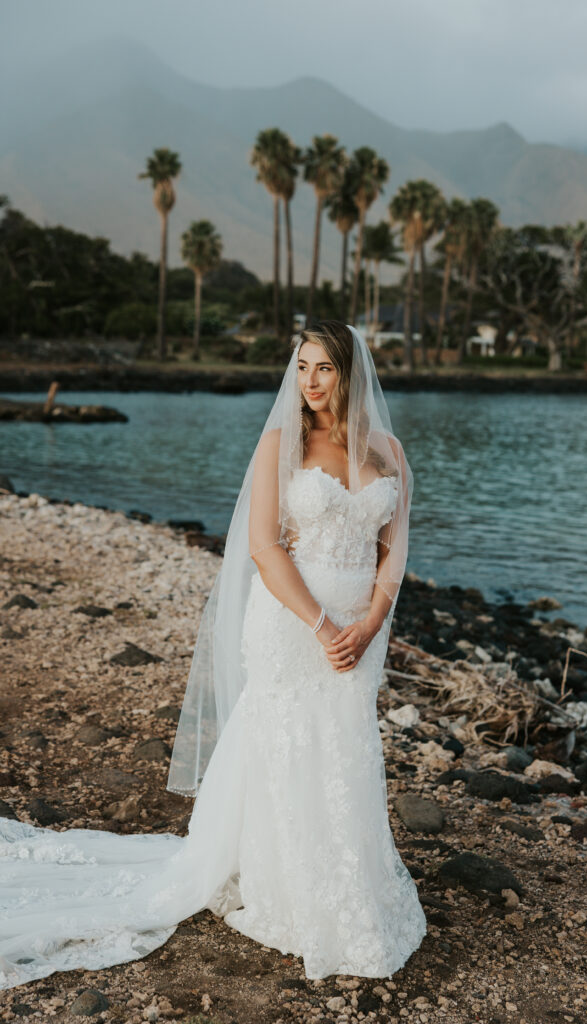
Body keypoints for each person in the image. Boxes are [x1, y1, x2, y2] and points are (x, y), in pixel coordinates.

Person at [0, 321, 427, 988]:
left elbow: (393, 548)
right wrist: (320, 626)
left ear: (350, 373)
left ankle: (348, 884)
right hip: (293, 623)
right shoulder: (281, 444)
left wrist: (371, 622)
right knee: (284, 740)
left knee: (344, 746)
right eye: (302, 367)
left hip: (360, 629)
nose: (309, 381)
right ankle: (283, 886)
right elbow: (264, 547)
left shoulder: (389, 450)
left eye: (323, 368)